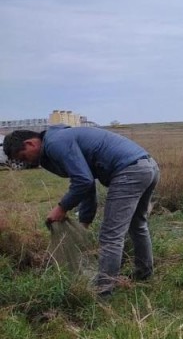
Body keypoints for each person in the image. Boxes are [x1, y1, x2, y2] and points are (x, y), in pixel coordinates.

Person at [3, 126, 160, 297]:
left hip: (129, 171)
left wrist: (61, 207)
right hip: (147, 166)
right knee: (138, 225)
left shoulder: (55, 143)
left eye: (24, 157)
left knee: (110, 236)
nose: (26, 162)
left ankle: (103, 292)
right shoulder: (58, 139)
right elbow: (87, 181)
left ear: (30, 143)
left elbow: (83, 181)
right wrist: (85, 220)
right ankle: (144, 274)